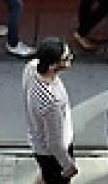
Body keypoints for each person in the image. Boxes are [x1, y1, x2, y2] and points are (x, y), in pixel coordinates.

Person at [24, 37, 77, 184]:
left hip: (37, 141)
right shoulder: (52, 100)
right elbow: (54, 143)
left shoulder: (31, 67)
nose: (71, 58)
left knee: (45, 175)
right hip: (53, 154)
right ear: (52, 66)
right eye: (66, 58)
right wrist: (68, 165)